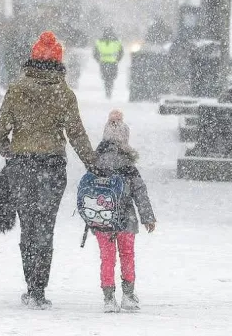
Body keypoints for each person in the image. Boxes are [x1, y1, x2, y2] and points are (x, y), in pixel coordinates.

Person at [0, 31, 96, 310]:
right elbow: (76, 134)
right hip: (52, 166)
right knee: (45, 228)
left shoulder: (17, 89)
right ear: (58, 62)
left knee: (28, 227)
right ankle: (40, 289)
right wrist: (92, 163)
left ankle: (30, 285)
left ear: (33, 58)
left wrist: (9, 153)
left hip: (22, 165)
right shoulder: (63, 92)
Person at [92, 109, 157, 312]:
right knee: (127, 255)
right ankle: (128, 295)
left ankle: (108, 298)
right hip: (126, 219)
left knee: (107, 258)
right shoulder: (128, 164)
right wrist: (147, 217)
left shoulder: (95, 163)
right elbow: (140, 192)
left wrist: (91, 217)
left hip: (102, 219)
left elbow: (89, 193)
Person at [94, 27, 124, 99]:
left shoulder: (99, 41)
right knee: (109, 78)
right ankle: (108, 92)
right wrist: (117, 59)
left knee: (107, 78)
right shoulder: (116, 41)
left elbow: (95, 53)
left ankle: (108, 92)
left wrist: (98, 59)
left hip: (105, 62)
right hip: (112, 63)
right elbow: (121, 52)